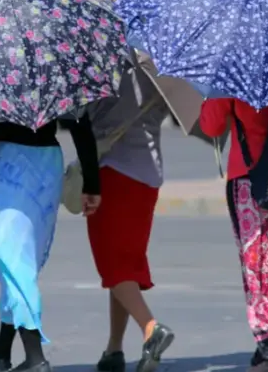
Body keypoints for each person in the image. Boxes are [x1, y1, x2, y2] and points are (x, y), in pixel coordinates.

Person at [0, 116, 101, 372]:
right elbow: (80, 123)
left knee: (15, 264)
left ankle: (35, 358)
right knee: (19, 262)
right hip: (47, 162)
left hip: (5, 162)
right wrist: (92, 183)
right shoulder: (59, 76)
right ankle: (1, 349)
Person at [85, 54, 174, 372]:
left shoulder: (101, 63)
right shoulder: (161, 65)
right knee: (126, 262)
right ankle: (114, 349)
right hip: (148, 173)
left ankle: (151, 328)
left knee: (113, 264)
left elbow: (79, 116)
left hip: (112, 170)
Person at [199, 99, 268, 372]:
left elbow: (211, 126)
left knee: (256, 265)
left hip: (249, 177)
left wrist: (213, 96)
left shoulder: (239, 70)